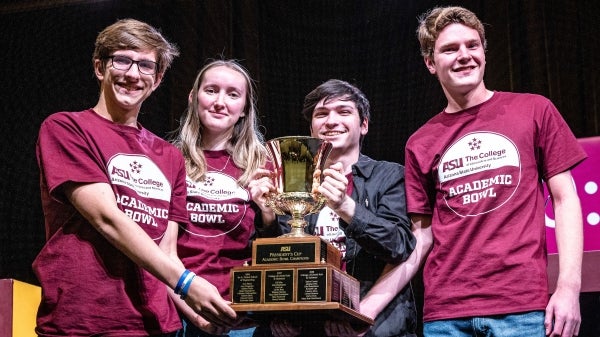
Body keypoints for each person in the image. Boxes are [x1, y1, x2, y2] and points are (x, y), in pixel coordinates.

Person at [360, 6, 586, 337]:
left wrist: (568, 288)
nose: (464, 56)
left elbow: (565, 200)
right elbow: (420, 239)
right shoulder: (420, 142)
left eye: (473, 45)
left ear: (484, 52)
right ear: (430, 63)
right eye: (450, 49)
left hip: (520, 309)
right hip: (445, 315)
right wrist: (367, 308)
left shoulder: (534, 110)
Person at [34, 19, 238, 336]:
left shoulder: (169, 157)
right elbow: (106, 217)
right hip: (85, 321)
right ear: (100, 67)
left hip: (156, 324)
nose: (132, 74)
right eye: (122, 60)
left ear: (157, 80)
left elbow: (167, 254)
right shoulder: (66, 128)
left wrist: (199, 318)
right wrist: (187, 282)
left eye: (145, 65)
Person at [264, 79, 417, 337]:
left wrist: (346, 207)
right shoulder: (293, 186)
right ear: (311, 128)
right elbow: (281, 258)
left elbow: (400, 246)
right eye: (321, 114)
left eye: (344, 112)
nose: (331, 121)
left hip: (375, 328)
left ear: (364, 124)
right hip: (310, 329)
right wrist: (281, 312)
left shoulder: (390, 176)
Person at [170, 59, 276, 337]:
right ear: (194, 98)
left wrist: (268, 215)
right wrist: (194, 315)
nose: (220, 102)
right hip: (179, 308)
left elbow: (280, 251)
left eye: (232, 94)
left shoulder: (264, 165)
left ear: (244, 109)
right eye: (211, 90)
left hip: (241, 316)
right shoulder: (168, 159)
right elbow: (155, 249)